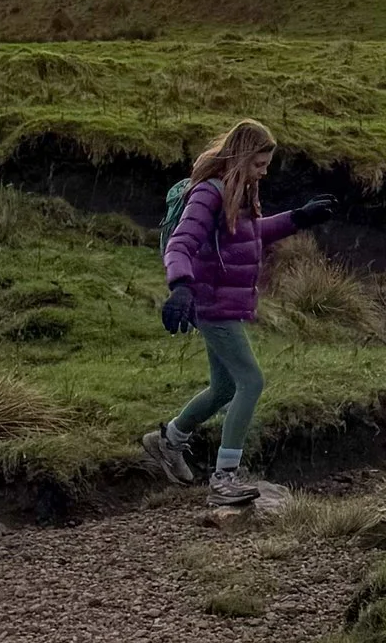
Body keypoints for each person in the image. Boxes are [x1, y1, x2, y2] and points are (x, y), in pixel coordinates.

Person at [141, 120, 337, 506]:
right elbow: (180, 243)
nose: (264, 172)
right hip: (211, 303)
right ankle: (224, 479)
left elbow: (248, 233)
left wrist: (298, 217)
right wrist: (180, 287)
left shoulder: (238, 192)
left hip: (223, 302)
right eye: (260, 164)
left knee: (225, 387)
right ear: (243, 158)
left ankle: (168, 442)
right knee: (251, 381)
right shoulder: (208, 193)